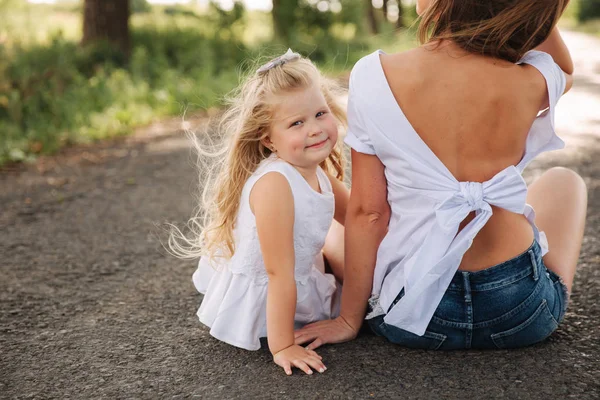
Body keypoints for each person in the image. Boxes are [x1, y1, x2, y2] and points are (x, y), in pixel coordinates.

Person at [295, 0, 587, 350]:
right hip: (519, 313)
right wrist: (527, 11)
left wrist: (348, 319)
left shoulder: (374, 76)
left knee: (333, 228)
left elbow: (369, 214)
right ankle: (547, 294)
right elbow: (564, 67)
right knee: (565, 181)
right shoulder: (532, 79)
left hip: (414, 314)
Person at [168, 49, 349, 373]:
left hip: (295, 271)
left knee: (350, 245)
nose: (315, 129)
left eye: (320, 113)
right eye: (297, 122)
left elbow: (357, 215)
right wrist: (284, 345)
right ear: (268, 139)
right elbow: (277, 272)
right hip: (274, 290)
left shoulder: (315, 169)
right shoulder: (276, 184)